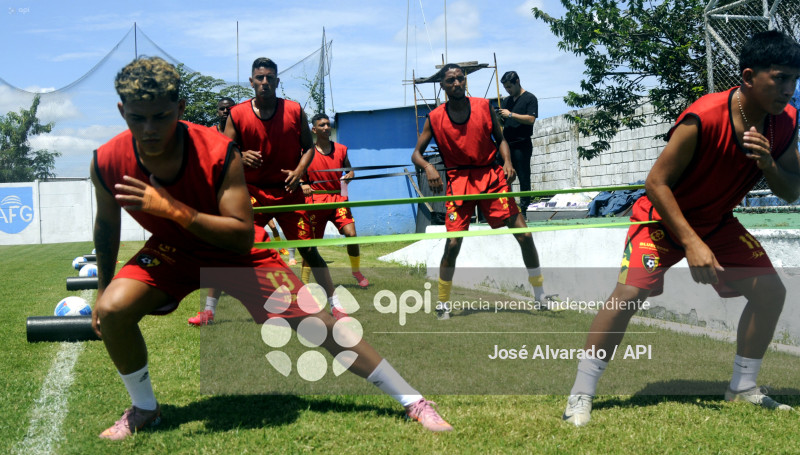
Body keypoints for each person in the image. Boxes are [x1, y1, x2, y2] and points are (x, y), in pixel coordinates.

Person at [91, 56, 452, 440]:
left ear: (180, 109)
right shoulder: (108, 160)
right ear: (121, 111)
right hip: (173, 249)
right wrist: (101, 291)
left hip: (236, 251)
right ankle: (145, 408)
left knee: (319, 325)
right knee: (113, 311)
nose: (148, 129)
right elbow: (106, 226)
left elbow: (240, 234)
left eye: (160, 116)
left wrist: (174, 210)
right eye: (136, 118)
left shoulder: (216, 151)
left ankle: (413, 400)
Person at [562, 30, 800, 427]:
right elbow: (656, 183)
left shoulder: (784, 124)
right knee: (628, 295)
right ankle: (580, 394)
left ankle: (743, 387)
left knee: (771, 293)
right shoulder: (704, 116)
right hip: (662, 219)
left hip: (717, 222)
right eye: (779, 78)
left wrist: (770, 167)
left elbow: (792, 191)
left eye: (794, 79)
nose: (788, 89)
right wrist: (691, 242)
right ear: (748, 76)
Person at [411, 63, 549, 320]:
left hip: (490, 176)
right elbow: (416, 154)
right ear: (443, 85)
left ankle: (540, 294)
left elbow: (501, 139)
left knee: (524, 234)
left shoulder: (484, 107)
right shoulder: (435, 117)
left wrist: (507, 162)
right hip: (459, 180)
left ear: (465, 81)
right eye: (450, 80)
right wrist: (429, 167)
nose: (456, 84)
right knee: (452, 245)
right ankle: (443, 303)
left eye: (460, 79)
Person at [224, 57, 347, 319]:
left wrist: (300, 171)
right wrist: (241, 155)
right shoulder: (237, 113)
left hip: (288, 191)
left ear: (277, 82)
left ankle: (335, 304)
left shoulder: (293, 110)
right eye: (260, 77)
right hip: (253, 192)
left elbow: (309, 148)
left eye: (270, 77)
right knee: (234, 248)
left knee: (309, 249)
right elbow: (223, 151)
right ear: (251, 81)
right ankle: (211, 310)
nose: (265, 82)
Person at [300, 113, 369, 298]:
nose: (326, 127)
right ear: (314, 130)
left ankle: (356, 271)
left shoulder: (341, 149)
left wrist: (350, 176)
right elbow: (299, 176)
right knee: (309, 246)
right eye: (321, 125)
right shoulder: (307, 152)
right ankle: (304, 283)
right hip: (315, 201)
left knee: (351, 234)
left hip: (339, 198)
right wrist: (303, 184)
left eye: (328, 124)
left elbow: (350, 169)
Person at [496, 71, 537, 220]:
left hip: (522, 143)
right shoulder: (507, 101)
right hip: (506, 144)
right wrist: (499, 118)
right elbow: (504, 122)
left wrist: (511, 114)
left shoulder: (530, 98)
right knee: (500, 175)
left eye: (509, 87)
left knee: (523, 177)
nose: (508, 90)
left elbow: (531, 119)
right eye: (506, 88)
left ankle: (525, 211)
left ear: (517, 81)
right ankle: (503, 207)